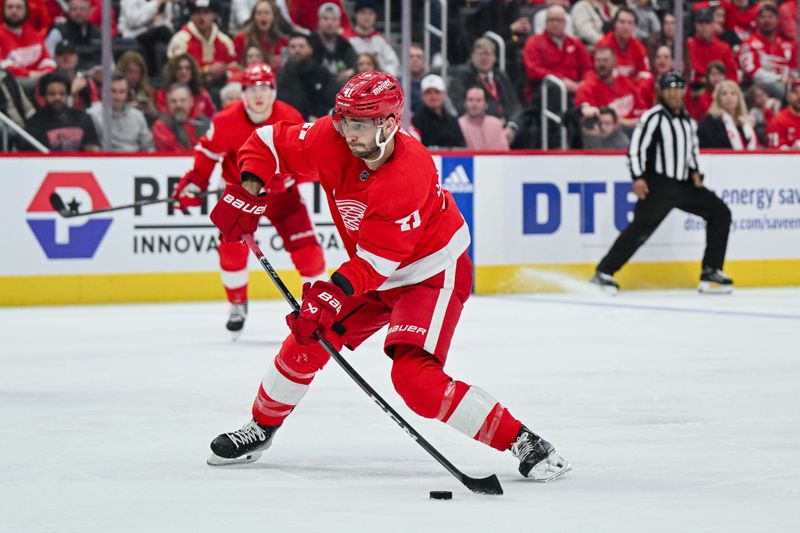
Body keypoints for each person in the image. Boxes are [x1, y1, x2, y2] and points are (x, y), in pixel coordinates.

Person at [203, 70, 572, 483]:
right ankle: (261, 427)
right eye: (342, 120)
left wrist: (328, 296)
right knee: (306, 340)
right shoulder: (331, 136)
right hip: (372, 269)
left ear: (389, 124)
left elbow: (376, 265)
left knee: (415, 381)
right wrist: (251, 188)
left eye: (357, 124)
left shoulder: (406, 174)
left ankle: (524, 441)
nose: (346, 132)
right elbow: (268, 142)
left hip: (429, 272)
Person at [172, 63, 326, 334]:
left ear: (273, 91)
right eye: (252, 88)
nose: (259, 95)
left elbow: (308, 156)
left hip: (283, 197)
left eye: (265, 88)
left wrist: (294, 177)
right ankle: (237, 303)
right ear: (242, 92)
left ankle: (319, 310)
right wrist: (195, 183)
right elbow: (208, 152)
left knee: (309, 254)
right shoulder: (226, 120)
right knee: (231, 250)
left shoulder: (289, 116)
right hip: (241, 196)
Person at [590, 71, 733, 295]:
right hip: (659, 184)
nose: (674, 94)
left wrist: (696, 171)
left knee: (720, 213)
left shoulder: (688, 120)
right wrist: (638, 177)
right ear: (662, 92)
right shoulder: (653, 117)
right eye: (670, 89)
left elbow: (692, 150)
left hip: (685, 184)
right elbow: (636, 149)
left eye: (678, 89)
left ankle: (711, 269)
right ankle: (604, 272)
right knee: (639, 229)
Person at [448, 37, 521, 146]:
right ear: (472, 56)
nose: (484, 58)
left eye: (488, 54)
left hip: (505, 127)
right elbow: (459, 105)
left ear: (495, 57)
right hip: (476, 126)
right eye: (480, 54)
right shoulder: (463, 75)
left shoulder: (501, 76)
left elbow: (514, 105)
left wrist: (512, 126)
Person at [523, 4, 592, 96]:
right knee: (554, 89)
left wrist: (584, 83)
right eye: (551, 20)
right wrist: (560, 80)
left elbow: (588, 67)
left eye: (559, 20)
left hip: (576, 88)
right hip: (547, 91)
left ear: (565, 23)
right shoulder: (533, 42)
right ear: (546, 22)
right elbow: (533, 71)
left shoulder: (575, 43)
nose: (555, 23)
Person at [167, 0, 237, 89]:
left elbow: (233, 67)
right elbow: (176, 70)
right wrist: (206, 71)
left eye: (206, 13)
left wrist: (224, 71)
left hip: (222, 87)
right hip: (190, 88)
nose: (202, 17)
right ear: (192, 16)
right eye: (198, 13)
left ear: (215, 15)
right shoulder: (180, 39)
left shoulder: (225, 41)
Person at [575, 46, 647, 130]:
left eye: (605, 60)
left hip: (634, 129)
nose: (601, 64)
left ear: (614, 62)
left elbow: (641, 109)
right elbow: (588, 120)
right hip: (605, 136)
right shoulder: (586, 88)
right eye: (598, 60)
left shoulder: (625, 82)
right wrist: (626, 123)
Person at [24, 71, 99, 151]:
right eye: (52, 94)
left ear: (68, 95)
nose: (57, 98)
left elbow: (93, 149)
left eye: (62, 94)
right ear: (44, 95)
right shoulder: (34, 123)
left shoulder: (83, 118)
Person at [738, 3, 798, 99]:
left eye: (770, 17)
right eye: (763, 17)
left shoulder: (788, 45)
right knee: (781, 90)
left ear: (778, 20)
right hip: (757, 88)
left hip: (786, 86)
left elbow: (793, 68)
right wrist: (779, 79)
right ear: (757, 20)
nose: (767, 20)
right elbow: (752, 72)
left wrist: (789, 80)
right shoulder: (748, 43)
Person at [276, 32, 337, 120]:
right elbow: (283, 104)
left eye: (301, 46)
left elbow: (332, 98)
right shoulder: (283, 75)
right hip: (293, 123)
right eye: (293, 47)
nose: (297, 50)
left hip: (322, 122)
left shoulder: (321, 73)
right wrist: (307, 117)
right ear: (288, 51)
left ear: (310, 50)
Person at [87, 72, 154, 152]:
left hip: (134, 161)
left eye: (122, 92)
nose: (117, 96)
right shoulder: (92, 115)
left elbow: (148, 146)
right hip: (106, 161)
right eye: (113, 91)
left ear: (127, 93)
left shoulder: (137, 116)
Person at [0, 0, 55, 91]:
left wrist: (47, 71)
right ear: (3, 10)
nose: (14, 11)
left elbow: (46, 58)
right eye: (10, 7)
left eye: (19, 7)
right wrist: (28, 74)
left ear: (26, 11)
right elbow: (3, 65)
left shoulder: (32, 32)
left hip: (40, 78)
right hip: (13, 82)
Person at [595, 8, 652, 93]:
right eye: (622, 22)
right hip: (608, 90)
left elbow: (645, 74)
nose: (626, 26)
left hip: (632, 90)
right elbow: (597, 73)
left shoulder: (639, 47)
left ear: (634, 26)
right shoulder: (603, 45)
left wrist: (635, 91)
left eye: (630, 23)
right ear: (615, 24)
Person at [118, 0, 175, 78]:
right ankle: (153, 76)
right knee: (162, 31)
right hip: (134, 34)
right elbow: (134, 21)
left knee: (168, 32)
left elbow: (167, 21)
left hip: (157, 33)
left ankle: (170, 73)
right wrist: (156, 3)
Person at [344, 0, 399, 77]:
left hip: (378, 85)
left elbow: (393, 63)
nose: (367, 16)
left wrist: (382, 77)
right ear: (355, 15)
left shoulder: (379, 40)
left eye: (370, 13)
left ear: (375, 16)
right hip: (354, 85)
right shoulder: (346, 40)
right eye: (363, 12)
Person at [697, 79, 757, 150]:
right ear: (718, 99)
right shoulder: (709, 121)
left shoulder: (744, 124)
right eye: (724, 94)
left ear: (738, 99)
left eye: (733, 93)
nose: (729, 97)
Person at [686, 9, 739, 88]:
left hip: (720, 89)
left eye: (707, 22)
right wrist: (701, 80)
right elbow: (684, 74)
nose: (704, 26)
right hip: (695, 89)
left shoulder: (724, 48)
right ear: (695, 25)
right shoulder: (688, 46)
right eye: (700, 23)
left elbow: (732, 76)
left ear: (713, 25)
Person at [44, 0, 101, 72]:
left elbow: (110, 63)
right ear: (69, 12)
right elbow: (48, 60)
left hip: (97, 77)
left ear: (90, 11)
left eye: (82, 9)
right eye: (74, 9)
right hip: (68, 77)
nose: (78, 12)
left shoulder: (99, 34)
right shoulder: (58, 32)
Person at [151, 82, 210, 151]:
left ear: (191, 101)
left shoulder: (204, 122)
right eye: (173, 101)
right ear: (168, 103)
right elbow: (174, 152)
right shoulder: (161, 124)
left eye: (183, 100)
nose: (179, 105)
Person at [411, 74, 466, 148]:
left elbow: (461, 148)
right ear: (422, 96)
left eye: (437, 92)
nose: (433, 96)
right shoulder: (416, 120)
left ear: (445, 94)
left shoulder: (452, 120)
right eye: (428, 92)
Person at [309, 2, 357, 86]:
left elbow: (355, 64)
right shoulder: (310, 43)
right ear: (319, 21)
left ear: (339, 23)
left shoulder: (344, 44)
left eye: (334, 19)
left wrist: (351, 72)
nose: (330, 23)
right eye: (325, 19)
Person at [233, 0, 288, 72]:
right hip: (248, 78)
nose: (263, 16)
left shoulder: (283, 41)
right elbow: (235, 66)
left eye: (267, 13)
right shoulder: (241, 39)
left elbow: (287, 68)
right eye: (259, 13)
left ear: (274, 17)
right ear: (253, 17)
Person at [156, 53, 216, 119]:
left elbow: (212, 115)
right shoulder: (162, 95)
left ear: (192, 71)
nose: (184, 72)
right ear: (173, 71)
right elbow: (165, 119)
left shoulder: (202, 93)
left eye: (187, 68)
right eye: (179, 68)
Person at [458, 86, 510, 151]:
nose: (474, 104)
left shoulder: (496, 124)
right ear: (465, 103)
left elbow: (505, 152)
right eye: (470, 100)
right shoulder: (459, 125)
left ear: (486, 104)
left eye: (478, 100)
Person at [116, 50, 158, 124]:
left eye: (138, 72)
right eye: (130, 71)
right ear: (123, 71)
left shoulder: (149, 91)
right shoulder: (115, 90)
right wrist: (127, 108)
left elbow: (159, 119)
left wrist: (152, 110)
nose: (134, 76)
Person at [766, 78, 800, 150]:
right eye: (795, 92)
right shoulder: (778, 120)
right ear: (788, 96)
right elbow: (774, 150)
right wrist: (793, 149)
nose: (799, 96)